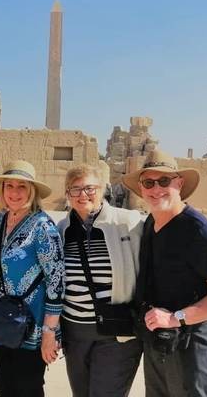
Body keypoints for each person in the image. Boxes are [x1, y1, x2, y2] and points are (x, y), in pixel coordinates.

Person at [122, 150, 207, 397]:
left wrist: (176, 318)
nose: (156, 189)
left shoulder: (198, 230)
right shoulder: (150, 224)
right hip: (160, 343)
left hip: (193, 346)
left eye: (164, 181)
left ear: (179, 183)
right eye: (149, 182)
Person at [56, 163, 144, 397]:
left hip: (117, 332)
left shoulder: (128, 222)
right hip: (75, 332)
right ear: (67, 194)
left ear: (103, 189)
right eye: (75, 189)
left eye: (89, 188)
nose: (82, 195)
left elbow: (147, 269)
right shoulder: (62, 229)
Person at [0, 160, 65, 397]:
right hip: (3, 322)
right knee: (5, 388)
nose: (15, 192)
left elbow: (56, 281)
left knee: (28, 389)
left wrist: (50, 332)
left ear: (32, 192)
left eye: (22, 187)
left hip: (32, 327)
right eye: (10, 186)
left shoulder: (42, 227)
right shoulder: (0, 220)